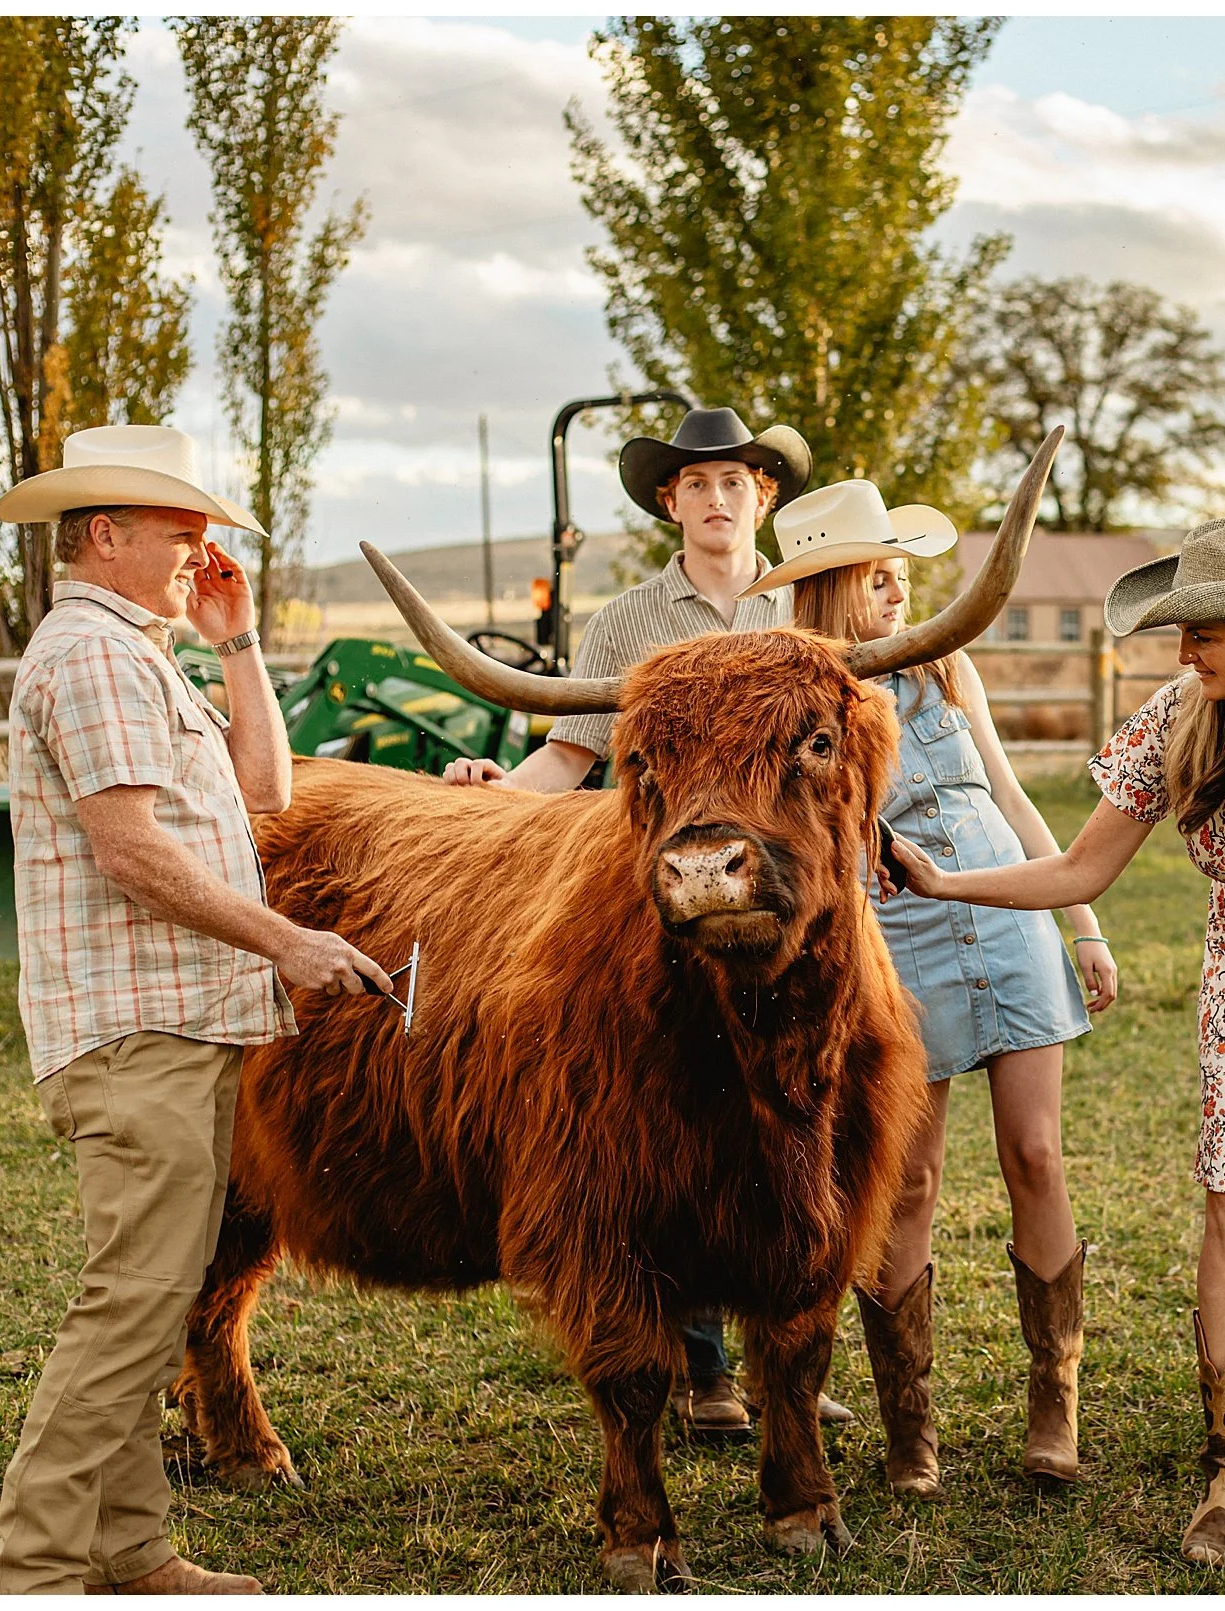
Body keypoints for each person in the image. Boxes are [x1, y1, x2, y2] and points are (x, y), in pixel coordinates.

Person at [882, 517, 1225, 1562]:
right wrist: (945, 880)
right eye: (1180, 631)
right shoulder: (1181, 720)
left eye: (1202, 633)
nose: (1182, 651)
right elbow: (1081, 869)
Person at [0, 425, 390, 1595]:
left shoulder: (140, 653)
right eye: (182, 532)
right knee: (129, 1312)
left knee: (152, 1302)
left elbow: (265, 791)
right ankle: (36, 1570)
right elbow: (127, 848)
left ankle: (131, 1549)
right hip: (137, 1035)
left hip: (177, 1025)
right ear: (105, 534)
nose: (200, 552)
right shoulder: (92, 657)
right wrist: (288, 941)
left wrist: (238, 641)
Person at [438, 405, 853, 1435]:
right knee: (683, 1117)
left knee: (793, 1125)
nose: (717, 499)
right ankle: (704, 1369)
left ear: (764, 497)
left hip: (795, 913)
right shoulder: (627, 622)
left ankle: (786, 1358)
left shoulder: (806, 611)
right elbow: (572, 755)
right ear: (671, 502)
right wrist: (490, 801)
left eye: (735, 481)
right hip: (663, 910)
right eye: (696, 483)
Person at [740, 479, 1120, 1493]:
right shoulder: (797, 704)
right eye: (876, 575)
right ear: (827, 589)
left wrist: (1082, 922)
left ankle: (1055, 1405)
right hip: (895, 939)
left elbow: (1009, 794)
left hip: (1005, 909)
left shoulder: (949, 666)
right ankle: (911, 1429)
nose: (898, 590)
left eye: (900, 572)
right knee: (907, 1180)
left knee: (1037, 1153)